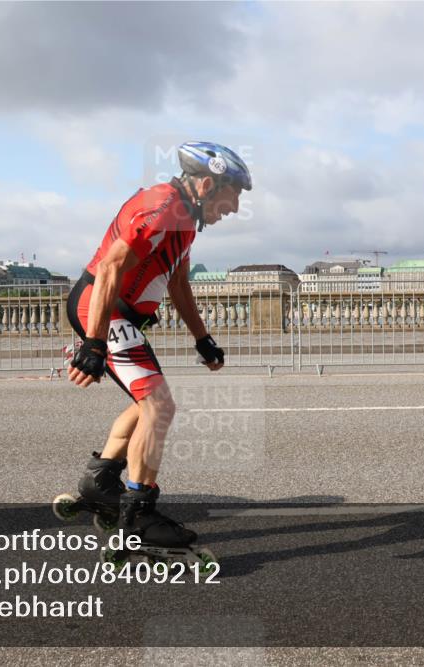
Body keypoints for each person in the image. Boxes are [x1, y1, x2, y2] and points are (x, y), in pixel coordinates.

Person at [65, 141, 251, 548]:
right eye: (232, 195)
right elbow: (111, 266)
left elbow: (179, 283)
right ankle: (139, 516)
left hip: (120, 315)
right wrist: (94, 343)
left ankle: (101, 481)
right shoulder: (164, 208)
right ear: (207, 186)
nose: (235, 208)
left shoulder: (184, 220)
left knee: (146, 403)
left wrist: (203, 339)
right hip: (103, 310)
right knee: (159, 406)